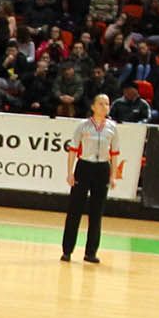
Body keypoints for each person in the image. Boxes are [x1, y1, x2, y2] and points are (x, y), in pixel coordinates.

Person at [61, 94, 117, 267]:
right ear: (93, 107)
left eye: (107, 104)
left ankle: (91, 252)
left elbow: (114, 153)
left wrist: (113, 175)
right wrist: (70, 173)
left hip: (102, 168)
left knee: (96, 211)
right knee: (75, 209)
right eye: (100, 103)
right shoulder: (83, 126)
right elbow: (73, 150)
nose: (104, 107)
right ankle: (67, 250)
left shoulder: (112, 127)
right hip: (84, 167)